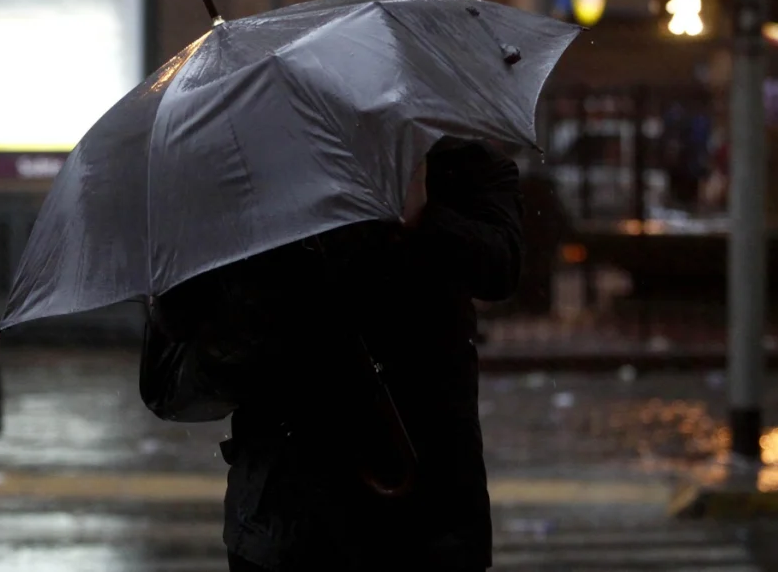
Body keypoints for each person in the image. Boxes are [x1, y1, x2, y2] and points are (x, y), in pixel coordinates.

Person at [145, 138, 523, 571]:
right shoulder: (254, 166)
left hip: (424, 498)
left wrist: (421, 216)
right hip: (287, 504)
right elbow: (182, 315)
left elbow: (500, 266)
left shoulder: (453, 160)